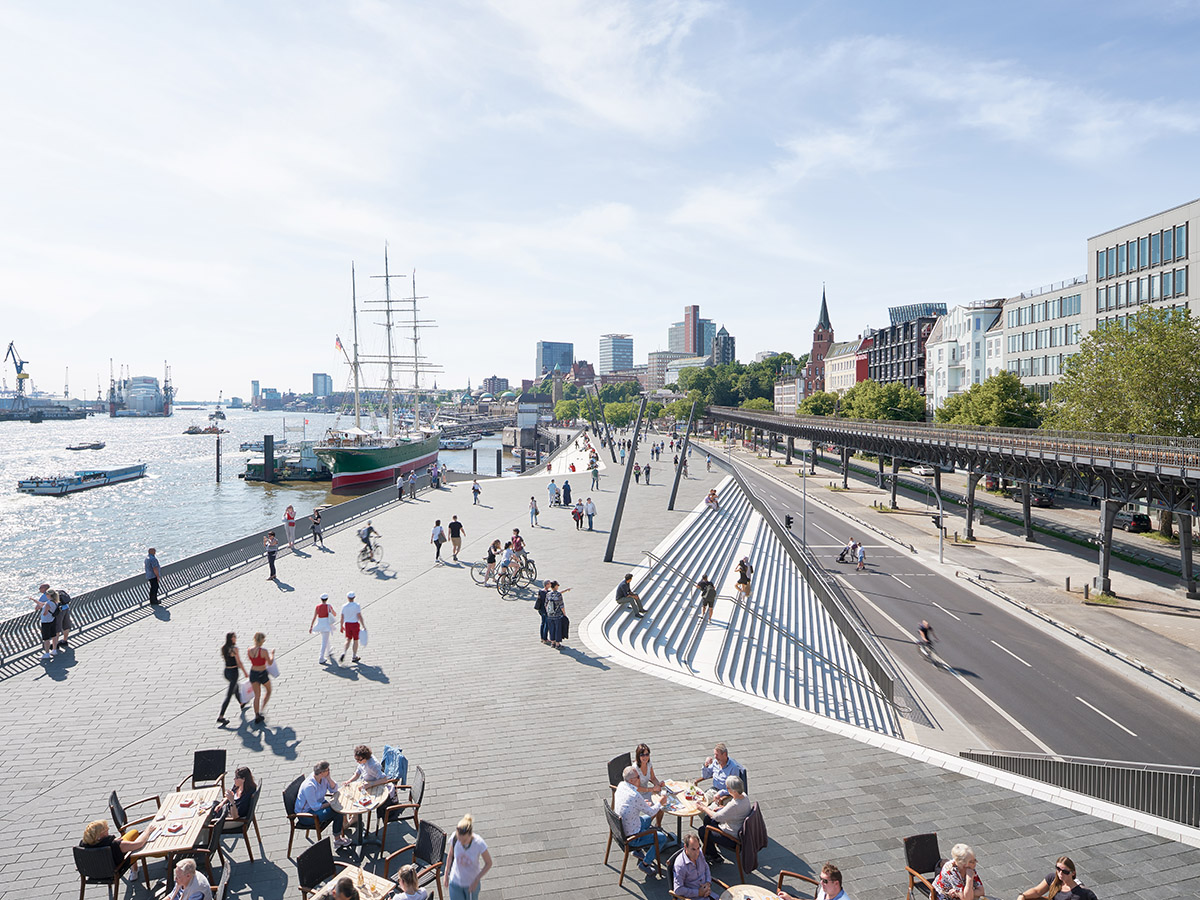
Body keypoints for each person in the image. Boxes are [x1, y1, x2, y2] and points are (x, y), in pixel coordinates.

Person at [614, 766, 672, 873]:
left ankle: (637, 851)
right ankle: (645, 864)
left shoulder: (621, 785)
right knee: (661, 838)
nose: (640, 778)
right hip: (632, 837)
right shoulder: (634, 795)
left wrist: (643, 803)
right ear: (631, 780)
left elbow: (630, 804)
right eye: (638, 777)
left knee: (647, 819)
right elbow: (652, 812)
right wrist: (660, 802)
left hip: (622, 828)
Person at [295, 761, 350, 848]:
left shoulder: (323, 778)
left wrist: (329, 778)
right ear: (321, 773)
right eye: (327, 770)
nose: (329, 771)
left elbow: (334, 789)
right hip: (307, 815)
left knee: (338, 809)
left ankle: (339, 832)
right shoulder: (309, 786)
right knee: (337, 811)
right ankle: (338, 839)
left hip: (318, 805)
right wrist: (330, 804)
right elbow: (315, 807)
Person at [696, 775, 750, 863]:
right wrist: (723, 808)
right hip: (737, 827)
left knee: (703, 830)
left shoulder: (735, 805)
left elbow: (716, 817)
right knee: (707, 819)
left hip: (732, 837)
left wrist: (704, 808)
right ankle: (710, 846)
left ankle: (714, 856)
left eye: (728, 788)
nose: (726, 789)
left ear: (734, 791)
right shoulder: (744, 796)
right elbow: (733, 811)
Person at [443, 813, 492, 900]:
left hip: (471, 884)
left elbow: (489, 863)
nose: (461, 843)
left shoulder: (479, 843)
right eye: (459, 839)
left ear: (470, 834)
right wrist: (446, 873)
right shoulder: (455, 838)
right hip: (455, 882)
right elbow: (450, 855)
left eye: (464, 840)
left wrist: (477, 880)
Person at [78, 818, 149, 873]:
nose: (108, 830)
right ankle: (134, 870)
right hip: (117, 868)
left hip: (94, 872)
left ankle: (134, 871)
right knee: (134, 833)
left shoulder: (83, 845)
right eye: (106, 830)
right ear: (100, 835)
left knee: (127, 839)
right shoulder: (114, 845)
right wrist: (147, 831)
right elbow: (139, 844)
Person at [1017, 856, 1097, 900]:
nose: (1060, 873)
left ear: (1073, 873)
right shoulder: (1053, 878)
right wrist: (1022, 896)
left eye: (1065, 871)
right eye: (1058, 869)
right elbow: (1037, 891)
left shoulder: (1078, 894)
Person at [217, 632, 249, 725]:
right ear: (231, 638)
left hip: (226, 672)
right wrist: (245, 672)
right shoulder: (234, 649)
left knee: (236, 687)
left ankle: (241, 703)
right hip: (234, 672)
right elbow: (239, 662)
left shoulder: (224, 648)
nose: (236, 638)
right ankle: (221, 716)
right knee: (229, 695)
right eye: (234, 637)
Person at [780, 862, 850, 900]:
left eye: (825, 881)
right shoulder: (825, 890)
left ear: (836, 883)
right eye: (820, 879)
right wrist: (791, 899)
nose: (821, 883)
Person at [673, 834, 713, 899]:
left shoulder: (700, 853)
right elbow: (678, 890)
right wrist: (698, 892)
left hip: (708, 893)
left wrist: (708, 883)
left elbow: (706, 867)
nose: (697, 853)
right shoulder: (680, 865)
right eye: (693, 849)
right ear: (685, 847)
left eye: (698, 848)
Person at [247, 632, 274, 723]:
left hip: (253, 673)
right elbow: (270, 662)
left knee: (257, 696)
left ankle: (257, 715)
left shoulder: (249, 650)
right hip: (262, 673)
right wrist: (272, 655)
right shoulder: (264, 651)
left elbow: (252, 660)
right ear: (261, 640)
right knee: (269, 690)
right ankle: (262, 708)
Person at [340, 591, 366, 663]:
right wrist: (363, 625)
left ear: (347, 598)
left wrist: (341, 626)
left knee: (348, 639)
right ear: (354, 597)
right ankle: (354, 656)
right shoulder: (357, 605)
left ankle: (344, 652)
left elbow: (342, 617)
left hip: (347, 624)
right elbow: (359, 616)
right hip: (355, 624)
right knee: (355, 640)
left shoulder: (344, 606)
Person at [33, 585, 58, 659]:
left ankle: (47, 653)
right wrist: (34, 600)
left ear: (49, 595)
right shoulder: (55, 601)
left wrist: (44, 610)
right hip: (52, 620)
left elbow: (45, 613)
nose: (46, 595)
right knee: (54, 635)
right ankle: (54, 650)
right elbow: (42, 604)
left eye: (46, 594)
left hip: (46, 622)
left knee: (46, 638)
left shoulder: (48, 603)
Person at [311, 594, 337, 664]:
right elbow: (334, 614)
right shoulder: (329, 606)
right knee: (324, 641)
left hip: (320, 624)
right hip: (326, 625)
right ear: (327, 599)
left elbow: (314, 617)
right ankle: (321, 657)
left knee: (325, 638)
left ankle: (329, 651)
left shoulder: (317, 607)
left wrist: (311, 626)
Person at [544, 581, 571, 648]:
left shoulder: (548, 594)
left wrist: (548, 612)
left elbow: (546, 604)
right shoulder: (558, 595)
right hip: (557, 615)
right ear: (555, 586)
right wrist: (564, 614)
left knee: (551, 629)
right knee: (557, 629)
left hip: (550, 615)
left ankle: (552, 643)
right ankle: (557, 644)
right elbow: (561, 605)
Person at [535, 580, 550, 644]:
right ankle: (545, 638)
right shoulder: (547, 593)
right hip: (546, 610)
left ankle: (542, 638)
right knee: (546, 624)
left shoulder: (540, 591)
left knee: (542, 623)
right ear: (547, 585)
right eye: (549, 584)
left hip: (540, 609)